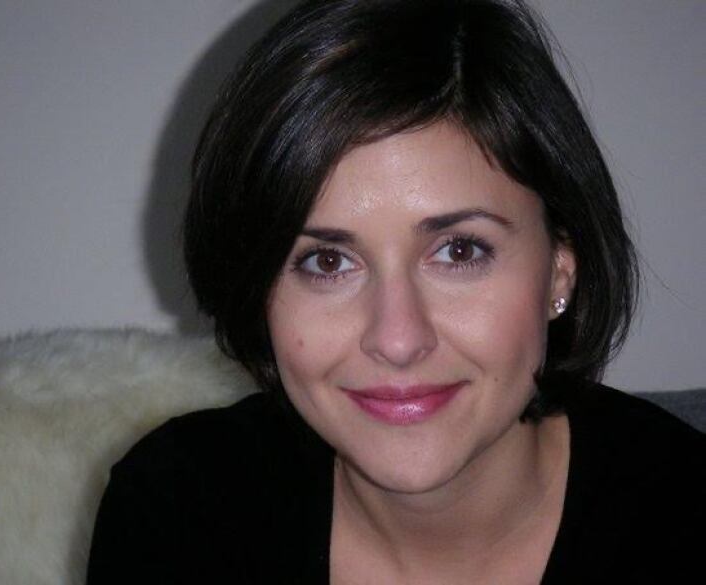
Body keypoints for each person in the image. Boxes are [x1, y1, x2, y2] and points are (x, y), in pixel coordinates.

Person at [86, 0, 705, 583]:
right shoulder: (176, 515)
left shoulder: (681, 519)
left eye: (460, 251)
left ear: (561, 268)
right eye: (327, 261)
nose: (398, 339)